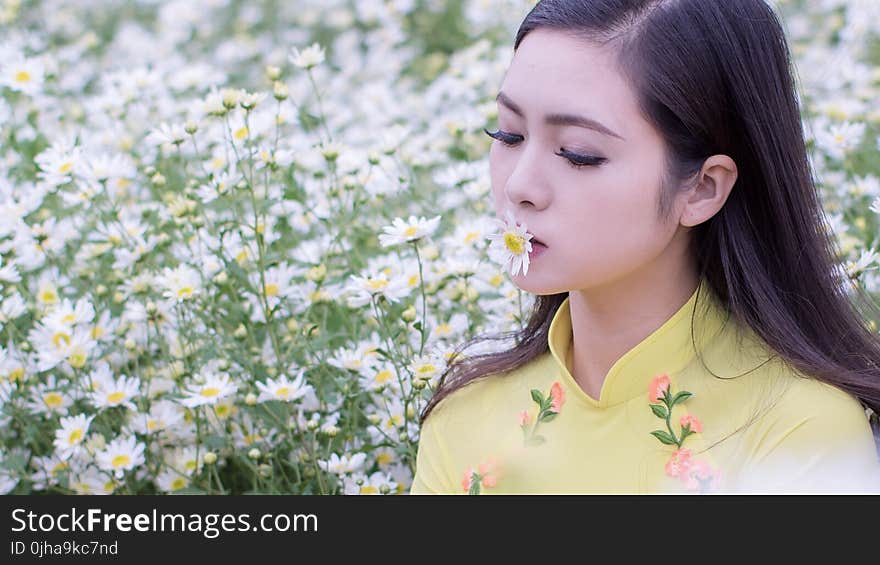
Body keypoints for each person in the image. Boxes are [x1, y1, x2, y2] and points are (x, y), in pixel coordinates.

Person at [409, 0, 880, 494]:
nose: (520, 185)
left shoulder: (799, 433)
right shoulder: (467, 418)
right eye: (508, 134)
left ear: (702, 188)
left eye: (578, 155)